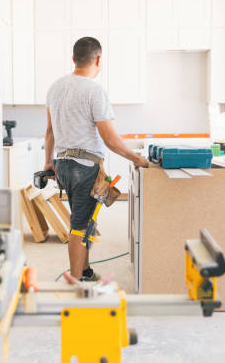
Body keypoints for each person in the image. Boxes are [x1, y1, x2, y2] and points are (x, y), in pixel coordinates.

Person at [44, 36, 149, 281]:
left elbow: (49, 131)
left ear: (74, 59)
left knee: (84, 220)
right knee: (79, 227)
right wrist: (137, 159)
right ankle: (77, 280)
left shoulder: (55, 87)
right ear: (99, 59)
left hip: (63, 165)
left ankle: (86, 270)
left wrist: (48, 163)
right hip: (85, 167)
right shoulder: (94, 91)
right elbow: (110, 139)